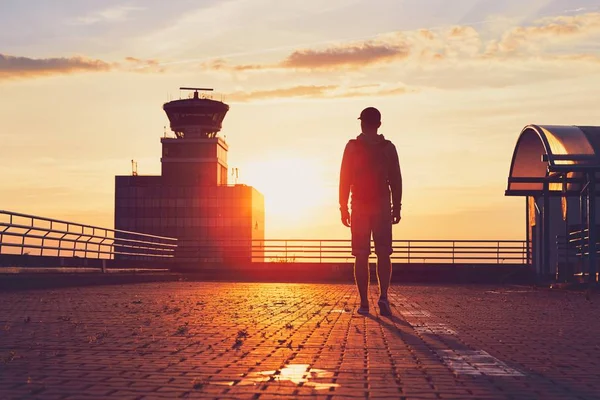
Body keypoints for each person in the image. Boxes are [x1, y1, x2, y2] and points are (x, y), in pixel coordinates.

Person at [339, 107, 402, 316]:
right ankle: (383, 297)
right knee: (384, 253)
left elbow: (344, 179)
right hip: (383, 203)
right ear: (379, 124)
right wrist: (397, 206)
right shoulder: (388, 148)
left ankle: (364, 302)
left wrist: (343, 206)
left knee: (361, 255)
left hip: (359, 204)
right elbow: (396, 179)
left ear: (361, 123)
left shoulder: (352, 147)